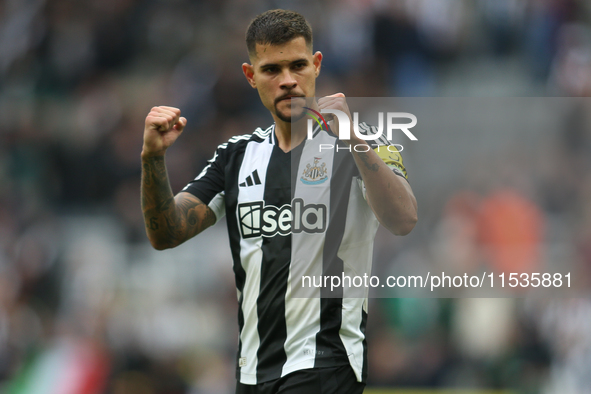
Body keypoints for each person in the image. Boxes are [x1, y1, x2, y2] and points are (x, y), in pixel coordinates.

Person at [140, 9, 417, 394]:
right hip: (252, 372)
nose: (288, 81)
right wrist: (153, 159)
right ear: (250, 76)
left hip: (325, 364)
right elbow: (166, 233)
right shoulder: (235, 157)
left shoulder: (361, 142)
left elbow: (404, 219)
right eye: (272, 70)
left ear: (316, 66)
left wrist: (353, 139)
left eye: (298, 65)